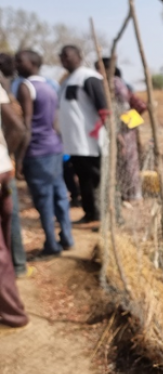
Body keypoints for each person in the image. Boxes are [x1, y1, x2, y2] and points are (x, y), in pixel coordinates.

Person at [15, 50, 74, 260]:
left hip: (37, 152)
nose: (16, 65)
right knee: (60, 195)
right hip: (54, 148)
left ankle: (52, 243)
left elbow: (27, 125)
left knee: (44, 200)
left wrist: (19, 159)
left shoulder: (26, 87)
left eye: (20, 61)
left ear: (32, 63)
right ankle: (67, 237)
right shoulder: (49, 87)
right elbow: (55, 122)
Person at [57, 45, 108, 224]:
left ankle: (105, 214)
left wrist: (99, 128)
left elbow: (103, 107)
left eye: (67, 55)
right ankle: (90, 213)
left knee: (97, 178)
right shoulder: (67, 81)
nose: (64, 59)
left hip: (90, 140)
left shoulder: (88, 77)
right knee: (84, 178)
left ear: (79, 56)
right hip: (74, 142)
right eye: (61, 56)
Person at [0, 82, 29, 332]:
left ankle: (13, 313)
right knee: (6, 234)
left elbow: (19, 127)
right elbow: (17, 127)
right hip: (3, 171)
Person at [0, 53, 30, 277]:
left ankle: (15, 267)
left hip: (4, 166)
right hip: (4, 167)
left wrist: (8, 154)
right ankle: (16, 267)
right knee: (11, 216)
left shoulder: (11, 88)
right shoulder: (8, 88)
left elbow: (19, 128)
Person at [98, 58, 142, 203]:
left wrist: (116, 126)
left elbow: (122, 107)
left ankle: (129, 193)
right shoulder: (121, 82)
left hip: (121, 126)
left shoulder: (112, 84)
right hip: (127, 125)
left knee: (125, 160)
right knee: (128, 160)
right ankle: (130, 192)